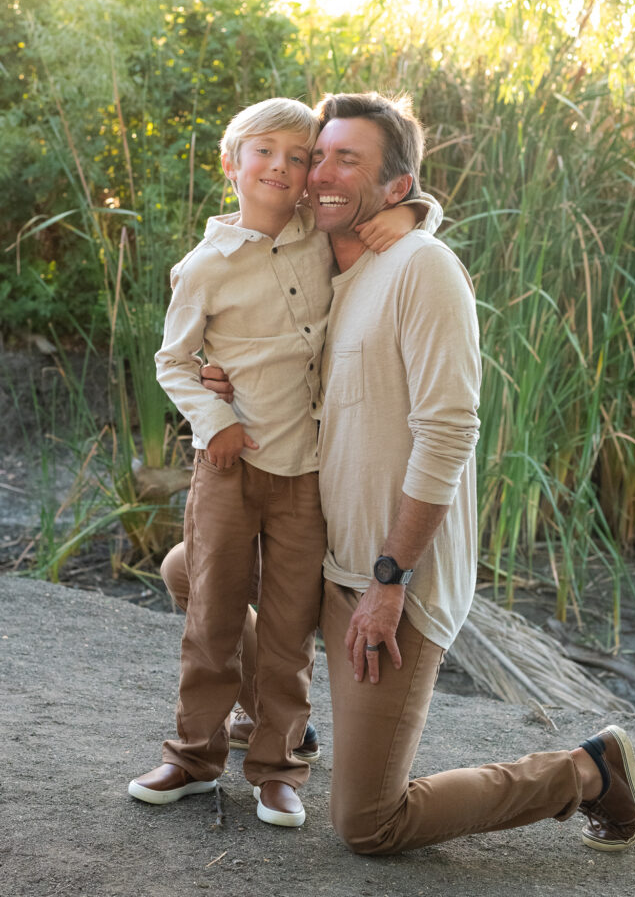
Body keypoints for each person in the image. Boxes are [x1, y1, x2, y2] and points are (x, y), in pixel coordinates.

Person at [197, 91, 635, 855]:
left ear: (397, 187)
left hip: (385, 579)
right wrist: (221, 377)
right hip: (316, 553)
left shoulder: (423, 268)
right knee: (190, 569)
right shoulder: (318, 265)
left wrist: (390, 579)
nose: (320, 174)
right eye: (319, 156)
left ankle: (585, 772)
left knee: (368, 824)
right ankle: (284, 720)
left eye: (350, 159)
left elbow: (449, 433)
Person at [127, 97, 430, 827]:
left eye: (300, 158)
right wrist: (214, 415)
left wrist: (419, 211)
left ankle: (277, 766)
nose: (284, 168)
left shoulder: (318, 238)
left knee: (291, 628)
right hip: (229, 470)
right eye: (266, 152)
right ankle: (194, 755)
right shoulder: (202, 267)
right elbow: (173, 362)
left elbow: (393, 212)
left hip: (304, 477)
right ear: (232, 163)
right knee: (213, 617)